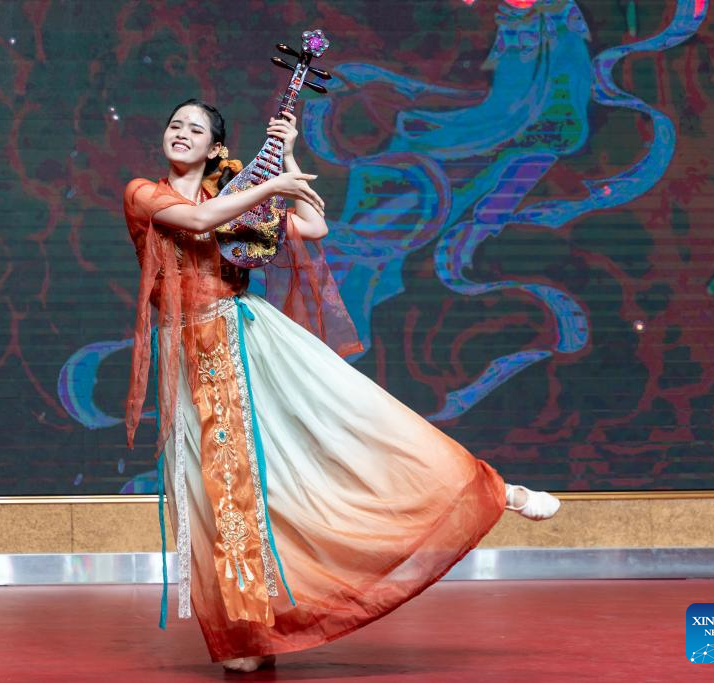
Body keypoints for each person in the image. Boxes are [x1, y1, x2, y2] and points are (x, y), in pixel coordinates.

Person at [121, 98, 560, 673]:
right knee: (223, 491)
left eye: (195, 129)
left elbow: (313, 227)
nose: (180, 133)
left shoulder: (232, 196)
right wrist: (271, 184)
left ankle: (494, 491)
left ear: (214, 147)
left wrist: (288, 159)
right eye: (175, 124)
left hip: (246, 339)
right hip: (191, 352)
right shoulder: (144, 193)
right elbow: (200, 222)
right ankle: (250, 632)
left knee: (353, 428)